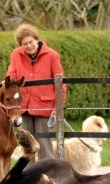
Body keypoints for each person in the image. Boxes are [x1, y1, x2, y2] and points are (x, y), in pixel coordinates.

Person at [6, 24, 67, 160]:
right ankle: (29, 176)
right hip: (22, 106)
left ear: (37, 39)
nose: (28, 46)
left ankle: (48, 176)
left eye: (30, 42)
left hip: (44, 106)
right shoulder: (16, 54)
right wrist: (8, 82)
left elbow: (60, 83)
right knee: (26, 143)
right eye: (24, 44)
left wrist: (57, 107)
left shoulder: (52, 55)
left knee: (45, 143)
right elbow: (11, 74)